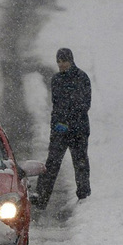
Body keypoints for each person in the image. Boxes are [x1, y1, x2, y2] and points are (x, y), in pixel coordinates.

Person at [34, 48, 91, 209]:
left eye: (63, 61)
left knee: (80, 162)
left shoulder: (82, 78)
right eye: (58, 61)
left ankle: (83, 194)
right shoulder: (57, 79)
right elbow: (56, 105)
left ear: (71, 60)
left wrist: (68, 122)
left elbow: (84, 105)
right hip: (60, 130)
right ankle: (41, 197)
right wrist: (57, 126)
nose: (61, 64)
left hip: (78, 130)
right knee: (51, 163)